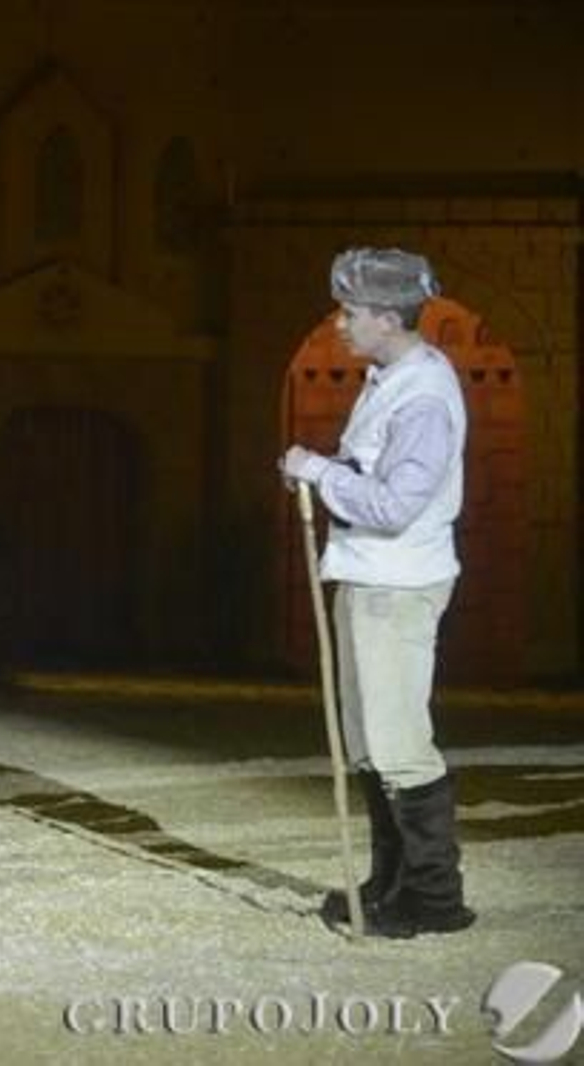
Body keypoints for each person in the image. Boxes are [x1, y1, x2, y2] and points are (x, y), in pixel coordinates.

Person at [280, 246, 476, 938]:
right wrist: (327, 470)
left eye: (352, 313)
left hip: (397, 584)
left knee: (399, 744)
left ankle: (434, 897)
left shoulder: (423, 395)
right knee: (369, 741)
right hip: (366, 576)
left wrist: (320, 474)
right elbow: (374, 471)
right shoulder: (390, 376)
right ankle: (389, 881)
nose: (341, 325)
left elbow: (395, 504)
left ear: (389, 318)